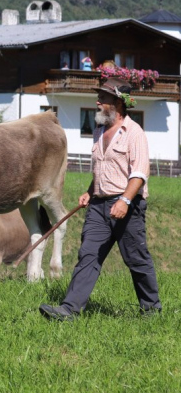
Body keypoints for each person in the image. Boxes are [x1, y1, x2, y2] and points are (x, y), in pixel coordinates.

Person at [39, 77, 162, 321]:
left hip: (128, 205)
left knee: (136, 259)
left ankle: (151, 310)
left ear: (118, 103)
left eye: (103, 98)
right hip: (98, 206)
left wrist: (124, 201)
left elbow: (139, 174)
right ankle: (69, 309)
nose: (97, 101)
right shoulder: (99, 130)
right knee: (88, 255)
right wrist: (90, 190)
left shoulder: (134, 133)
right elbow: (102, 169)